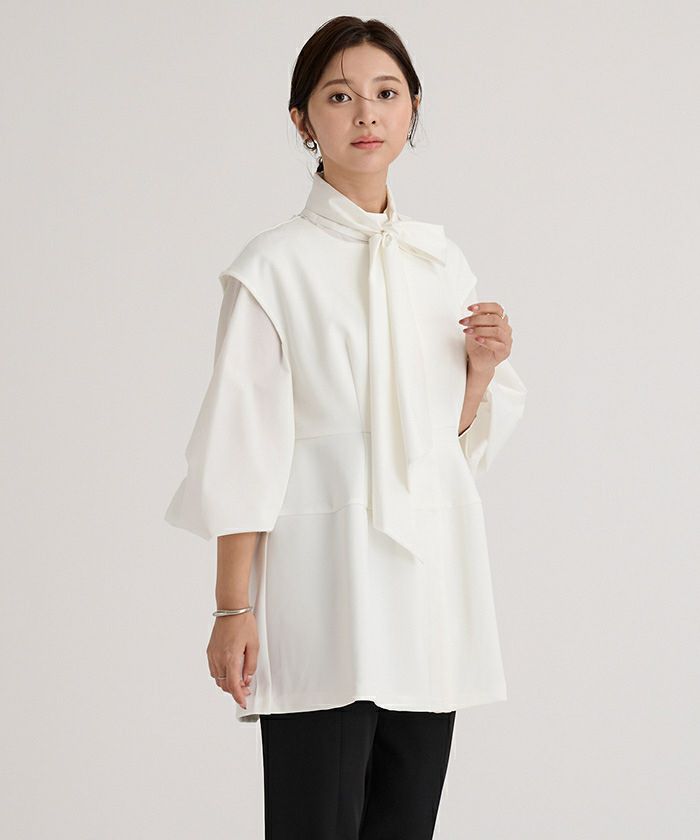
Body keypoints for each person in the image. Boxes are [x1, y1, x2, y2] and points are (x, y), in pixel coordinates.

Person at [164, 15, 527, 840]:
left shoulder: (441, 263)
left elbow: (440, 445)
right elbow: (243, 445)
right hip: (321, 589)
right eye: (339, 96)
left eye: (386, 93)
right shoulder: (273, 267)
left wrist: (479, 373)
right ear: (303, 120)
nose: (366, 113)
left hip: (427, 595)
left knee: (406, 825)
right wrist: (231, 609)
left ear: (412, 109)